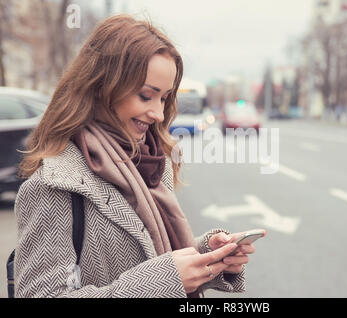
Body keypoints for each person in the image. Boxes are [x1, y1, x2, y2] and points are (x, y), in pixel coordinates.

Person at [14, 14, 258, 298]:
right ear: (103, 87)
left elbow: (148, 253)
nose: (158, 114)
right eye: (145, 96)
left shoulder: (151, 164)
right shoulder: (54, 186)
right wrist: (159, 282)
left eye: (164, 98)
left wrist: (207, 255)